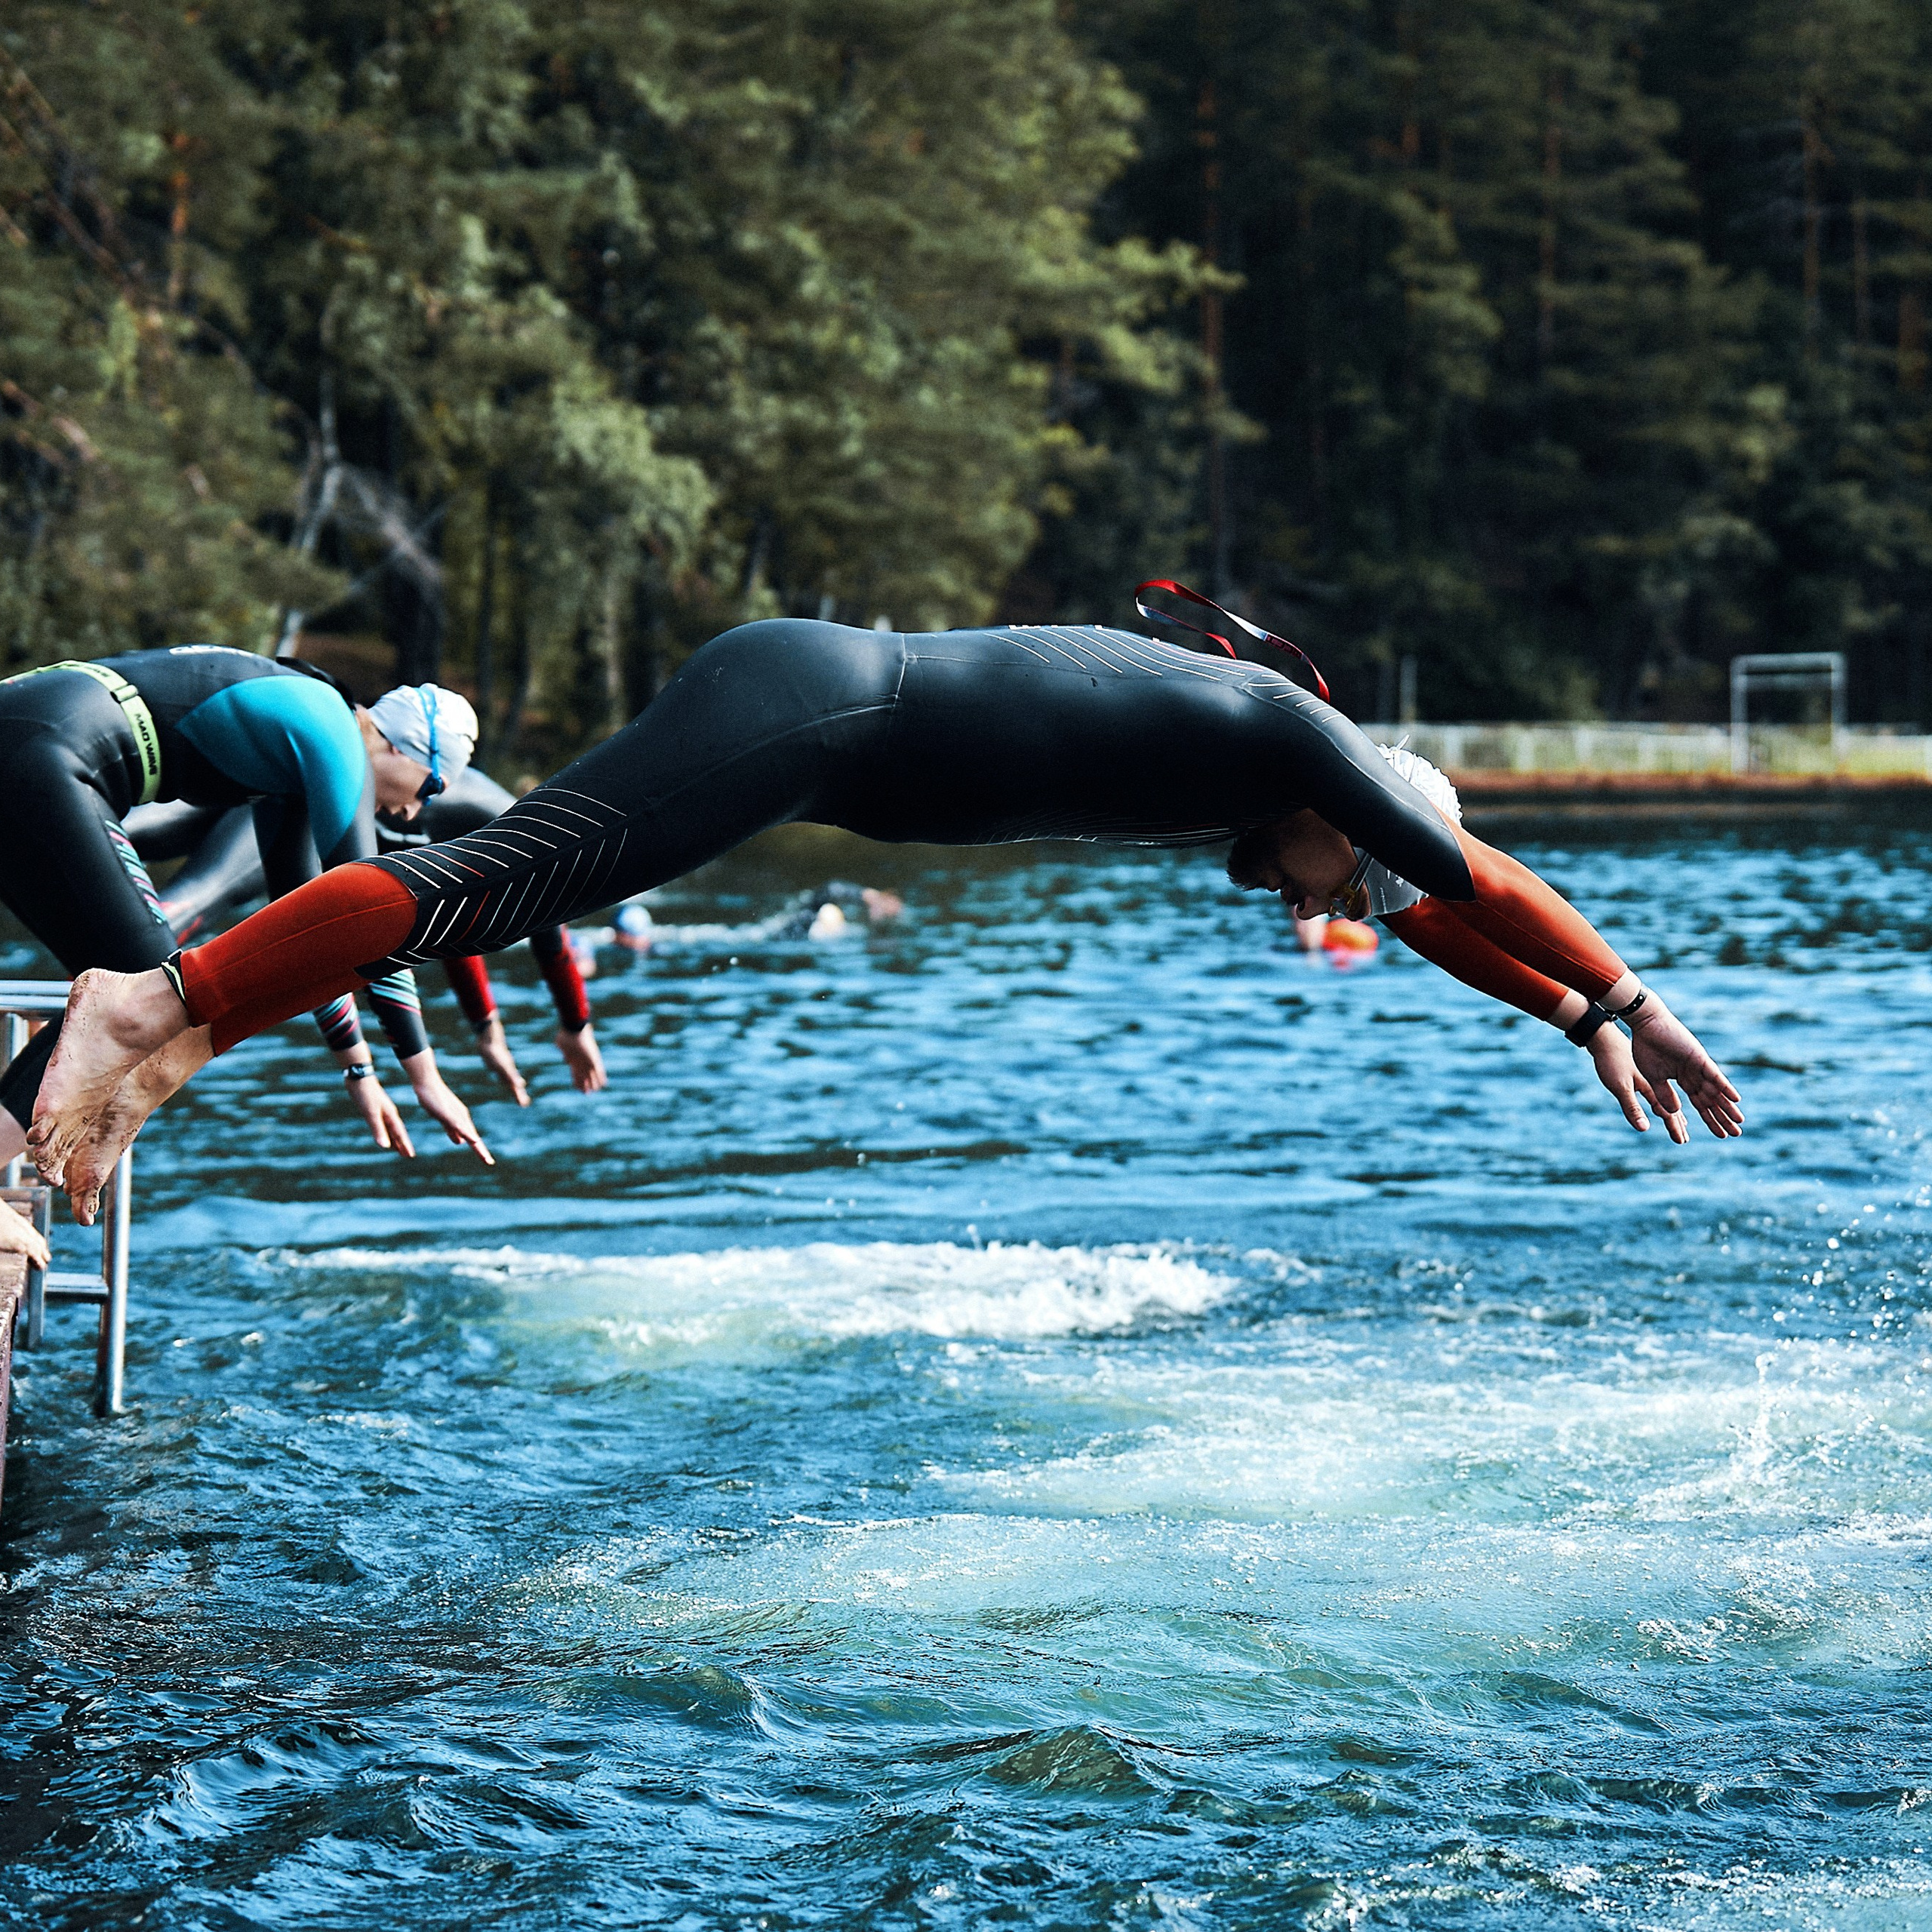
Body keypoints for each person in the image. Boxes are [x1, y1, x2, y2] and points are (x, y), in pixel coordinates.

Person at [23, 616, 1742, 1215]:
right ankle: (150, 1010)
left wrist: (1576, 1023)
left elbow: (1438, 913)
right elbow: (1468, 879)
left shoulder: (1246, 783)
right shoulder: (1293, 741)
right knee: (471, 890)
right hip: (819, 711)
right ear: (1342, 818)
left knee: (463, 898)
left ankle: (166, 1024)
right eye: (1339, 878)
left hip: (806, 730)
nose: (1325, 911)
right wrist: (1633, 992)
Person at [0, 648, 491, 1175]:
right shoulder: (337, 733)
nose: (414, 812)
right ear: (403, 749)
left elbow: (317, 943)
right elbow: (376, 921)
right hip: (48, 754)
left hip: (29, 726)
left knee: (133, 991)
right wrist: (427, 1079)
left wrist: (360, 1072)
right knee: (148, 994)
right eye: (430, 788)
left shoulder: (294, 759)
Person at [131, 764, 608, 1103]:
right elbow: (531, 936)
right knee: (186, 907)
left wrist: (492, 1029)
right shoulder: (524, 843)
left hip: (283, 784)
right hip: (302, 805)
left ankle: (84, 991)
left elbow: (453, 926)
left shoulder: (504, 823)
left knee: (110, 846)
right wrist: (574, 1025)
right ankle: (93, 998)